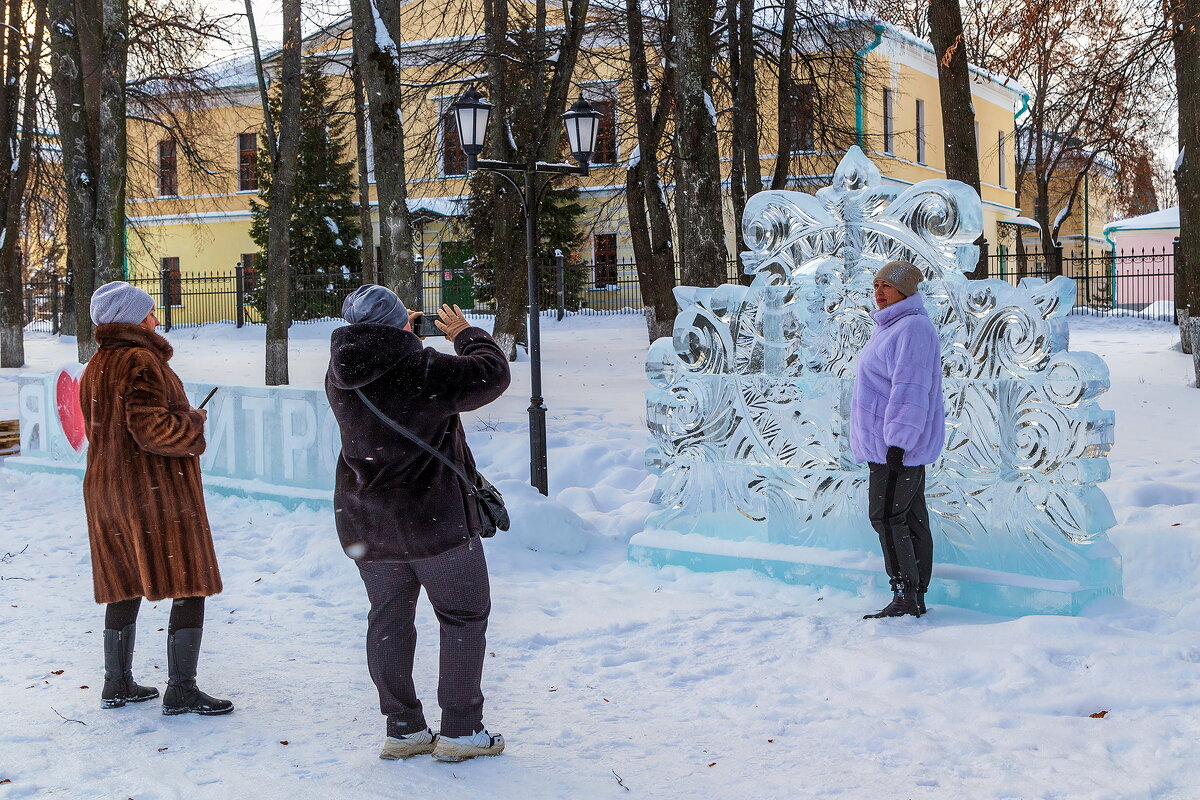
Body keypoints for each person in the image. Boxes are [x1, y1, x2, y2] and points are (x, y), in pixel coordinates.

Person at [326, 286, 511, 763]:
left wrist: (394, 330)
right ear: (400, 325)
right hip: (435, 524)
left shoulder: (339, 372)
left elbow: (377, 358)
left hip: (367, 524)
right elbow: (492, 374)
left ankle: (404, 727)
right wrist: (465, 333)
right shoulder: (425, 369)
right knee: (463, 618)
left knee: (388, 620)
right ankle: (462, 731)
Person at [81, 281, 233, 714]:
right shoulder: (140, 360)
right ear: (131, 319)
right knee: (189, 579)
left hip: (106, 489)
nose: (157, 319)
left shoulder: (97, 363)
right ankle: (181, 689)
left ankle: (117, 684)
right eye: (148, 312)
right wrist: (192, 424)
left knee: (122, 582)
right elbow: (152, 430)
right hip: (153, 493)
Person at [851, 261, 945, 619]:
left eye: (887, 286)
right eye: (876, 285)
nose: (879, 292)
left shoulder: (912, 329)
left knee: (887, 517)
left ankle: (906, 595)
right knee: (908, 517)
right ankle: (915, 596)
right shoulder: (892, 327)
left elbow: (911, 390)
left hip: (896, 447)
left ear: (906, 291)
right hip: (887, 444)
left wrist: (898, 442)